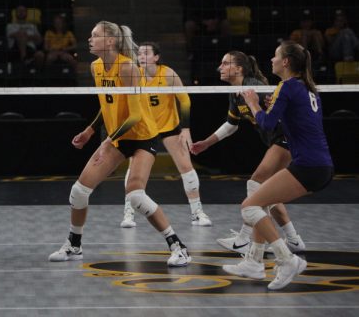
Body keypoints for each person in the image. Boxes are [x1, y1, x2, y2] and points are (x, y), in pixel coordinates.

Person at [49, 21, 191, 267]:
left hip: (143, 137)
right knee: (79, 191)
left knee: (136, 196)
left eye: (95, 36)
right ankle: (74, 244)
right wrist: (89, 130)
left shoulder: (128, 68)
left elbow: (135, 115)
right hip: (118, 137)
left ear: (110, 41)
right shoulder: (95, 67)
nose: (90, 40)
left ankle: (178, 246)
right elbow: (108, 104)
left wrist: (106, 141)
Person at [222, 42, 333, 290]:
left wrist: (253, 103)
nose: (270, 60)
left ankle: (287, 259)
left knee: (249, 208)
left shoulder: (287, 86)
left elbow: (267, 124)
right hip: (320, 164)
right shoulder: (308, 88)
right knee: (260, 201)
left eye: (275, 56)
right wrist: (276, 104)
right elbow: (296, 119)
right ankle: (254, 262)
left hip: (308, 166)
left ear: (285, 62)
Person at [190, 51, 306, 254]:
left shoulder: (255, 89)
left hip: (287, 139)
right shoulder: (236, 92)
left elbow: (280, 112)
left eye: (226, 63)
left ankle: (243, 239)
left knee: (256, 183)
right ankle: (294, 240)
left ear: (239, 69)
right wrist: (207, 143)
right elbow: (231, 125)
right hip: (278, 142)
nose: (221, 67)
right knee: (269, 194)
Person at [119, 42, 211, 228]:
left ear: (156, 57)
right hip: (145, 127)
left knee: (186, 167)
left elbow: (184, 101)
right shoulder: (134, 75)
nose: (141, 56)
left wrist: (185, 129)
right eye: (139, 53)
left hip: (169, 126)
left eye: (146, 53)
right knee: (134, 170)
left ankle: (197, 213)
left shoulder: (168, 74)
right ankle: (128, 213)